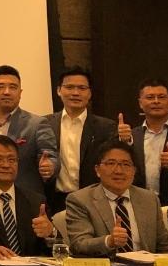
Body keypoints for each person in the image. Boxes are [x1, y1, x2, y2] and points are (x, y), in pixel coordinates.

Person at [64, 141, 168, 256]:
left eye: (126, 164)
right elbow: (79, 244)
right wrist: (109, 241)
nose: (119, 171)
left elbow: (165, 244)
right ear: (97, 170)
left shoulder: (149, 199)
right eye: (111, 163)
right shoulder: (80, 200)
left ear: (134, 171)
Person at [0, 65, 58, 196]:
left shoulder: (37, 123)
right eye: (0, 87)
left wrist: (50, 166)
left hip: (23, 196)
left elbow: (51, 155)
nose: (7, 92)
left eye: (13, 87)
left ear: (20, 93)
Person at [44, 65, 118, 211]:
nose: (75, 93)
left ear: (90, 93)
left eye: (82, 88)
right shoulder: (44, 124)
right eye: (69, 87)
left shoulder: (105, 127)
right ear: (59, 90)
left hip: (93, 200)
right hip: (54, 200)